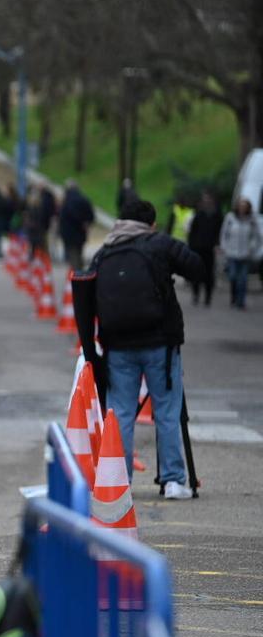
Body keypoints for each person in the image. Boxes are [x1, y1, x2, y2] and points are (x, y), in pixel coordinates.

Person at [89, 199, 203, 499]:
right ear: (151, 224)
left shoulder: (105, 251)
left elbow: (86, 294)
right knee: (166, 411)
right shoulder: (159, 243)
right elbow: (197, 267)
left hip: (117, 347)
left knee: (121, 415)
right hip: (160, 344)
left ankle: (119, 481)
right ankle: (173, 481)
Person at [220, 197, 263, 310]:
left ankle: (241, 301)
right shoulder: (230, 218)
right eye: (241, 206)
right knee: (233, 277)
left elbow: (257, 237)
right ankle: (234, 296)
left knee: (243, 279)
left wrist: (252, 248)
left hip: (245, 254)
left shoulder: (252, 220)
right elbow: (224, 233)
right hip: (232, 253)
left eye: (245, 206)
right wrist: (224, 247)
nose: (242, 208)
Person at [186, 190, 222, 306]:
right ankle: (196, 295)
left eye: (208, 200)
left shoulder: (217, 215)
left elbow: (219, 232)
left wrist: (217, 244)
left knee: (209, 274)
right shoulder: (198, 214)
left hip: (209, 248)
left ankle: (207, 297)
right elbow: (192, 232)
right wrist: (191, 246)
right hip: (197, 248)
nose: (206, 202)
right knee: (196, 272)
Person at [58, 179, 96, 271]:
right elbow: (91, 215)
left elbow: (63, 218)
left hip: (69, 235)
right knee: (79, 255)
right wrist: (85, 223)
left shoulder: (66, 201)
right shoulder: (84, 199)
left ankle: (78, 278)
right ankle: (81, 275)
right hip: (81, 233)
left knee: (73, 258)